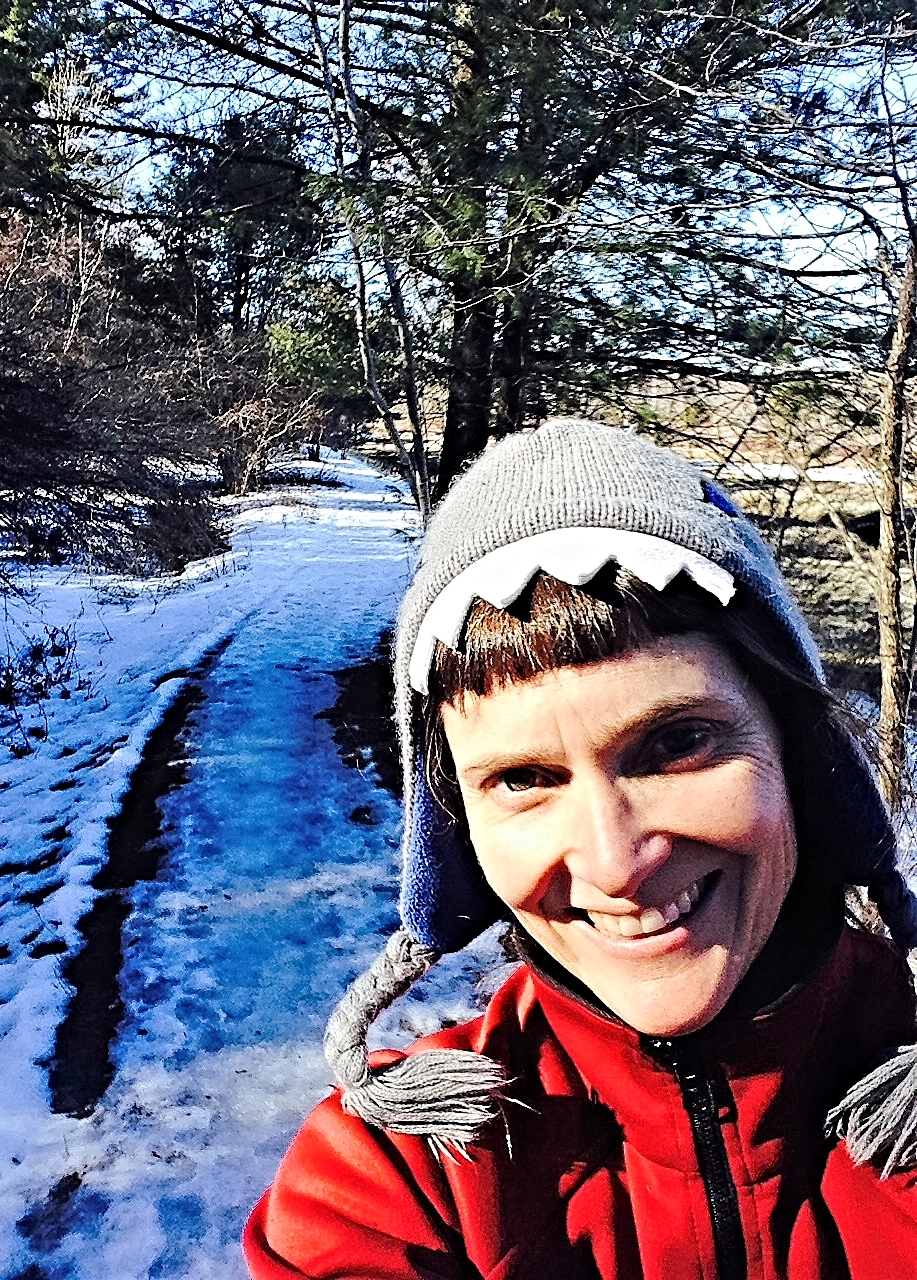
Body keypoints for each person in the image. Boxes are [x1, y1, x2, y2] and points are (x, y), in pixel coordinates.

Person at [244, 419, 917, 1279]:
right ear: (455, 835)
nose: (614, 861)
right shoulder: (397, 1178)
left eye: (677, 745)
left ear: (804, 761)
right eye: (524, 778)